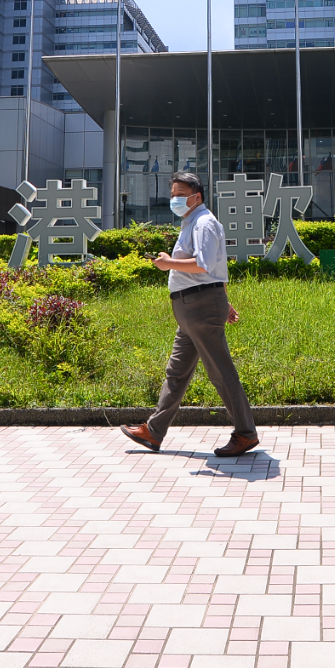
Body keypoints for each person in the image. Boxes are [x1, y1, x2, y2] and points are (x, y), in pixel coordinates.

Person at [121, 171, 260, 457]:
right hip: (193, 307)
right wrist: (224, 301)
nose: (174, 199)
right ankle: (154, 431)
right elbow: (217, 266)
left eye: (180, 194)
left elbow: (203, 264)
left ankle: (246, 434)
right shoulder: (192, 222)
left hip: (200, 306)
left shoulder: (203, 223)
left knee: (220, 371)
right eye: (172, 194)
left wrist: (168, 263)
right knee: (176, 372)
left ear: (196, 197)